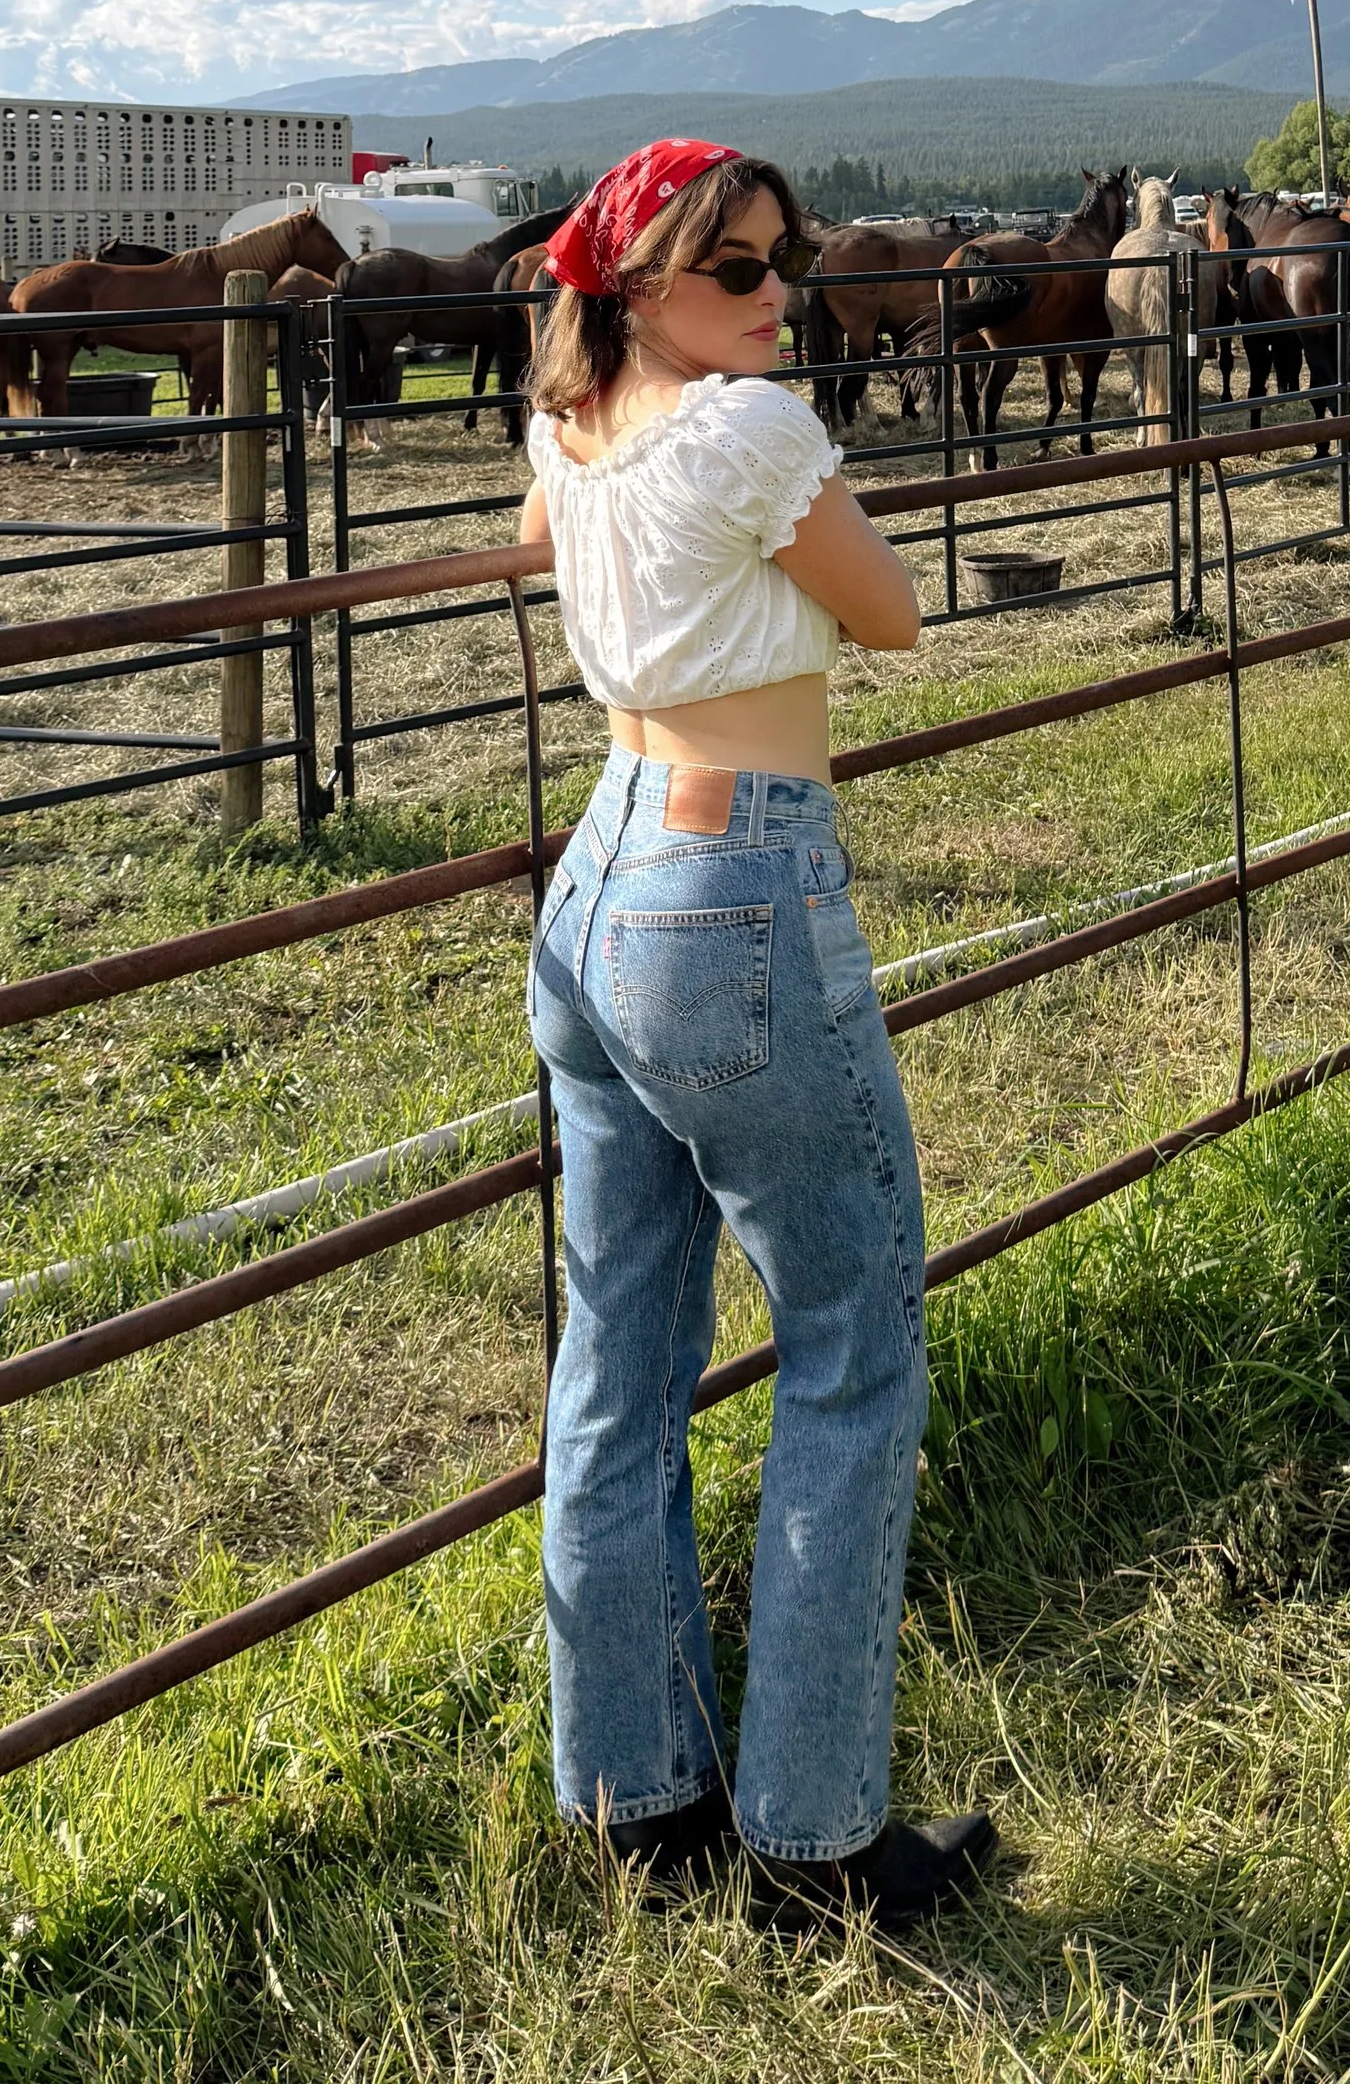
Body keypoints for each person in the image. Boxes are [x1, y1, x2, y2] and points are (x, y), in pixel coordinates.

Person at [518, 138, 995, 1929]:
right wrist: (783, 593)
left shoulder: (574, 427)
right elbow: (896, 614)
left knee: (620, 1358)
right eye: (740, 273)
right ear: (642, 285)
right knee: (855, 1337)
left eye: (783, 262)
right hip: (734, 877)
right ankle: (812, 1834)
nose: (781, 297)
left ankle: (637, 1801)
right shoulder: (745, 433)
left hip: (598, 874)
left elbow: (564, 566)